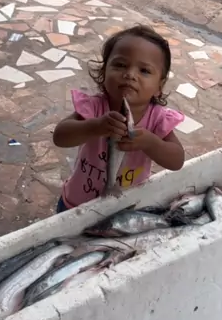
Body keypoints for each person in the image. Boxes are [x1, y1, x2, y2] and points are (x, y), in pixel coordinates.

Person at [53, 24, 185, 210]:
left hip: (123, 207)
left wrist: (152, 143)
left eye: (144, 71)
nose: (130, 74)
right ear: (104, 72)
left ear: (159, 86)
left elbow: (177, 161)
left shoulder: (157, 119)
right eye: (120, 65)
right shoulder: (95, 107)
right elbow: (60, 137)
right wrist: (94, 127)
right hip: (76, 204)